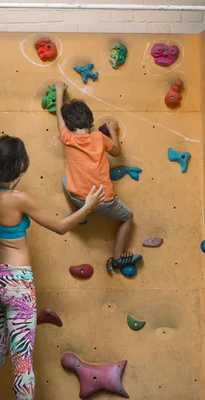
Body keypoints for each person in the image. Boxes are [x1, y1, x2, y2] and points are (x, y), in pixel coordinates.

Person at [0, 134, 105, 400]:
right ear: (18, 166)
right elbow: (60, 227)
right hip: (16, 282)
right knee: (22, 359)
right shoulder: (18, 198)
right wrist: (89, 206)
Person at [53, 81, 142, 272]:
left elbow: (59, 116)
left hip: (80, 197)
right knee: (128, 218)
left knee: (65, 179)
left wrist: (59, 91)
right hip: (105, 200)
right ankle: (117, 257)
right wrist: (112, 130)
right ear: (91, 121)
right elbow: (117, 152)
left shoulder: (67, 138)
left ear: (68, 125)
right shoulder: (99, 138)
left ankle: (80, 212)